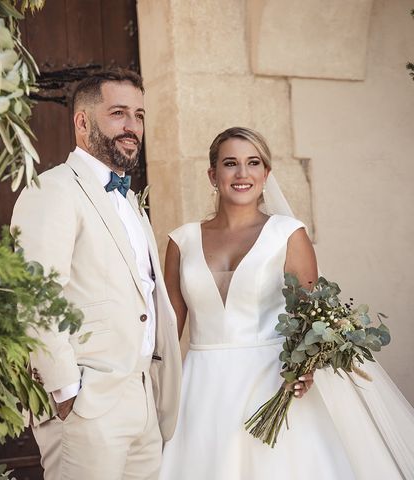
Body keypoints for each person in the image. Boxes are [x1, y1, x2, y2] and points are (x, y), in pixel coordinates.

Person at [158, 127, 414, 479]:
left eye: (253, 163)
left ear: (266, 174)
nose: (242, 174)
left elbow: (310, 319)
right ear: (212, 175)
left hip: (271, 381)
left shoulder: (288, 234)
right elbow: (168, 330)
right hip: (201, 389)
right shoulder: (181, 241)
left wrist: (307, 367)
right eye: (230, 163)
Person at [10, 69, 182, 480]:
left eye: (139, 115)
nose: (132, 127)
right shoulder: (52, 190)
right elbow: (35, 294)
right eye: (118, 113)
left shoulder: (131, 203)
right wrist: (66, 389)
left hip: (142, 400)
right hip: (87, 404)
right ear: (82, 122)